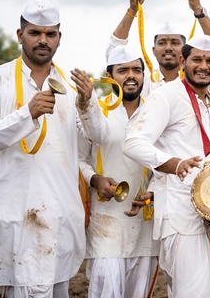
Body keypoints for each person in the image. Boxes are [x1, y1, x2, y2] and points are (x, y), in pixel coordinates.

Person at [0, 0, 109, 297]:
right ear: (20, 35)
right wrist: (27, 114)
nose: (42, 41)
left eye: (50, 34)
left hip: (60, 215)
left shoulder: (72, 87)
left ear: (60, 37)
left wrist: (87, 105)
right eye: (35, 33)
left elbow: (98, 138)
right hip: (11, 214)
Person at [123, 35, 210, 297]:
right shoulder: (167, 95)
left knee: (207, 290)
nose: (203, 66)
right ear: (183, 61)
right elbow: (133, 143)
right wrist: (173, 164)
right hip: (181, 216)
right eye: (197, 59)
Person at [78, 45, 159, 297]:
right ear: (110, 75)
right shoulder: (92, 110)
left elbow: (162, 165)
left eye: (137, 69)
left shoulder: (156, 111)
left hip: (145, 226)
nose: (131, 75)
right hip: (106, 222)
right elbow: (78, 158)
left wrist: (152, 192)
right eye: (123, 70)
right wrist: (95, 179)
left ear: (144, 75)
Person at [106, 0, 210, 96]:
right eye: (162, 42)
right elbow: (115, 54)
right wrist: (132, 11)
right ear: (153, 50)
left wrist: (198, 10)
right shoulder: (144, 82)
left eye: (175, 43)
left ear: (184, 52)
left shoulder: (197, 79)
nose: (168, 48)